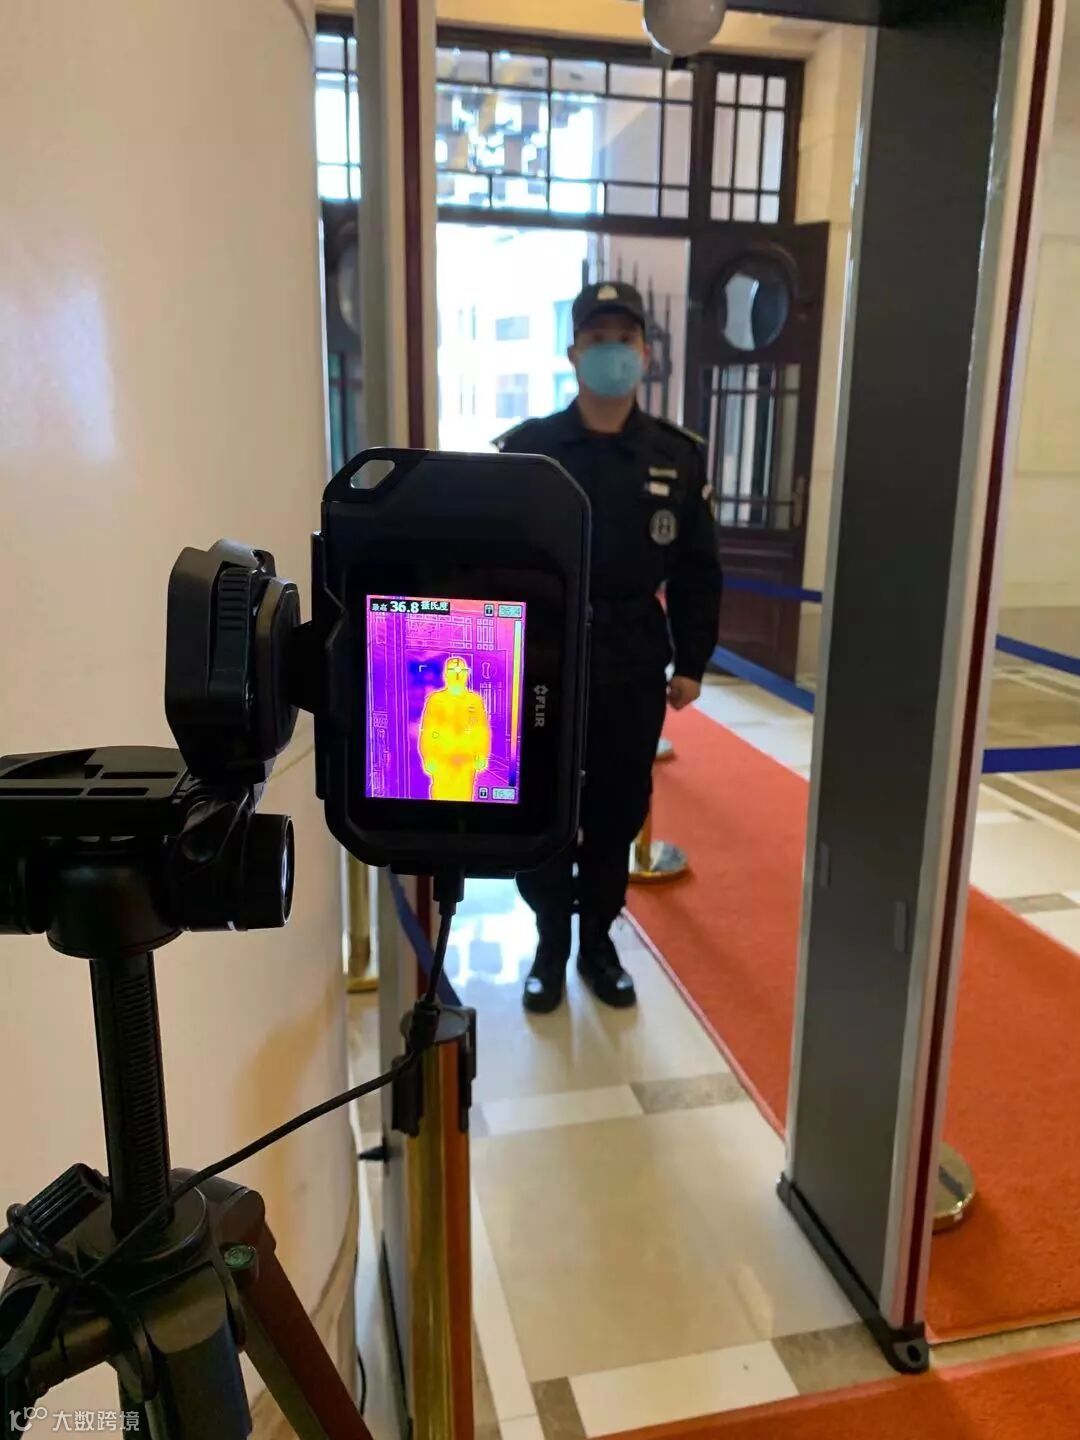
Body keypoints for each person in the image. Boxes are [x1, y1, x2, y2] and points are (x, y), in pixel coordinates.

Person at [496, 280, 722, 1013]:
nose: (612, 353)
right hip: (545, 656)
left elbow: (697, 568)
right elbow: (495, 560)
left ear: (645, 355)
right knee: (542, 800)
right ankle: (549, 942)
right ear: (573, 353)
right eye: (598, 340)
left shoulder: (676, 457)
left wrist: (692, 660)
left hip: (631, 653)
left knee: (619, 805)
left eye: (625, 340)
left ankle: (597, 940)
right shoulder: (529, 450)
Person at [418, 655, 491, 801]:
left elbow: (481, 730)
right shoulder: (435, 700)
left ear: (467, 674)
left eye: (461, 671)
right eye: (452, 670)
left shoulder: (475, 700)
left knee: (464, 795)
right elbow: (428, 730)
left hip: (466, 760)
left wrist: (482, 755)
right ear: (445, 674)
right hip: (442, 759)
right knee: (440, 795)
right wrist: (428, 757)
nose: (457, 674)